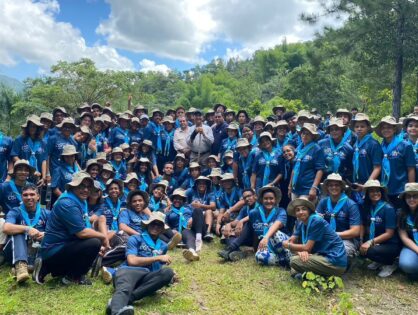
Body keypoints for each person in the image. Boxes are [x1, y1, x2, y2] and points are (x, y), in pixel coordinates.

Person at [33, 172, 106, 285]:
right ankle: (72, 276)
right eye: (81, 186)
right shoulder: (68, 203)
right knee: (94, 242)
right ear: (73, 187)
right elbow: (81, 233)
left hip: (65, 245)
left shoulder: (80, 200)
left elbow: (85, 225)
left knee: (93, 243)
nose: (86, 190)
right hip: (55, 249)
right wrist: (103, 237)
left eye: (88, 187)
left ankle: (48, 267)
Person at [108, 211, 174, 315]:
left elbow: (158, 267)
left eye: (159, 224)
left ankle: (125, 300)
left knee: (168, 272)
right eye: (153, 223)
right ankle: (116, 311)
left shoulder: (163, 246)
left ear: (162, 229)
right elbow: (132, 261)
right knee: (124, 288)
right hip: (129, 272)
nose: (155, 226)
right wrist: (157, 258)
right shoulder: (135, 239)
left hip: (146, 278)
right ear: (147, 225)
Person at [283, 197, 347, 277]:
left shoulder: (316, 221)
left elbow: (306, 248)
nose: (301, 212)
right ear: (295, 213)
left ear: (309, 210)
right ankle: (315, 275)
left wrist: (288, 246)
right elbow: (292, 240)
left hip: (334, 260)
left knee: (294, 261)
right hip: (319, 256)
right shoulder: (301, 222)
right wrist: (300, 252)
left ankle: (322, 277)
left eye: (304, 209)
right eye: (297, 210)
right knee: (294, 270)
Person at [3, 184, 50, 283]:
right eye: (25, 195)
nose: (29, 197)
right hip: (13, 250)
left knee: (49, 237)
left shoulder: (46, 213)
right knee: (18, 232)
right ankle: (21, 267)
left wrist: (45, 234)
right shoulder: (15, 211)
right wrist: (27, 229)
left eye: (32, 194)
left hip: (35, 250)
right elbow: (6, 228)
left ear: (38, 197)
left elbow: (55, 231)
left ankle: (28, 267)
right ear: (21, 197)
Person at [359, 180, 400, 278]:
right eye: (372, 191)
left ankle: (391, 263)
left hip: (391, 243)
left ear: (381, 192)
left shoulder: (388, 208)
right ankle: (379, 261)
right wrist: (361, 241)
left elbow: (389, 234)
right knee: (360, 248)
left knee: (369, 250)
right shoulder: (367, 207)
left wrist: (370, 242)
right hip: (377, 240)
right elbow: (364, 225)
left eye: (377, 191)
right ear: (367, 193)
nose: (375, 193)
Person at [316, 173, 361, 258]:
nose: (334, 187)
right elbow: (316, 221)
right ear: (327, 188)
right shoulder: (323, 202)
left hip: (347, 239)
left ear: (342, 187)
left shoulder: (351, 204)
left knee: (340, 253)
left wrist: (332, 234)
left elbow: (355, 231)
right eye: (331, 185)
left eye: (337, 185)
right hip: (326, 237)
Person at [375, 116, 415, 208]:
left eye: (389, 127)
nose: (386, 130)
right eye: (383, 128)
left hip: (400, 189)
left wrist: (410, 190)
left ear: (394, 129)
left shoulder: (405, 145)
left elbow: (411, 168)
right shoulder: (380, 146)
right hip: (384, 189)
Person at [250, 186, 290, 267]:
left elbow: (278, 224)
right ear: (261, 200)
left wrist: (266, 237)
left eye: (271, 198)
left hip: (282, 244)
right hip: (266, 246)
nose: (268, 201)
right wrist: (255, 248)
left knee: (273, 232)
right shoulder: (253, 213)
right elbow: (255, 231)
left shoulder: (281, 211)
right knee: (259, 257)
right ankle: (283, 261)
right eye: (266, 198)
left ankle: (289, 256)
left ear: (275, 200)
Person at [289, 123, 325, 202]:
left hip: (308, 188)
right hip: (295, 188)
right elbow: (294, 168)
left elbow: (320, 170)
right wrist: (290, 185)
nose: (305, 136)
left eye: (308, 134)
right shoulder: (298, 149)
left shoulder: (316, 149)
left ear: (313, 136)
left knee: (305, 212)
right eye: (303, 133)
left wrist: (314, 188)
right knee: (295, 212)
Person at [167, 188, 204, 261]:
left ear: (183, 200)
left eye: (180, 199)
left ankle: (196, 244)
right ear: (172, 200)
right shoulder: (169, 211)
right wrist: (171, 230)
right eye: (175, 199)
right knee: (185, 234)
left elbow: (200, 214)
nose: (177, 200)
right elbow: (166, 224)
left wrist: (193, 218)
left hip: (191, 228)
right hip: (178, 233)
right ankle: (191, 252)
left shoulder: (189, 208)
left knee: (198, 210)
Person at [11, 115, 47, 186]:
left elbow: (44, 160)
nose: (32, 128)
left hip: (37, 176)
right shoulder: (19, 140)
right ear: (27, 127)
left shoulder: (43, 142)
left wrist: (43, 177)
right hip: (23, 174)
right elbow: (14, 156)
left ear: (38, 128)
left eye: (35, 126)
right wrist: (28, 168)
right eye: (30, 126)